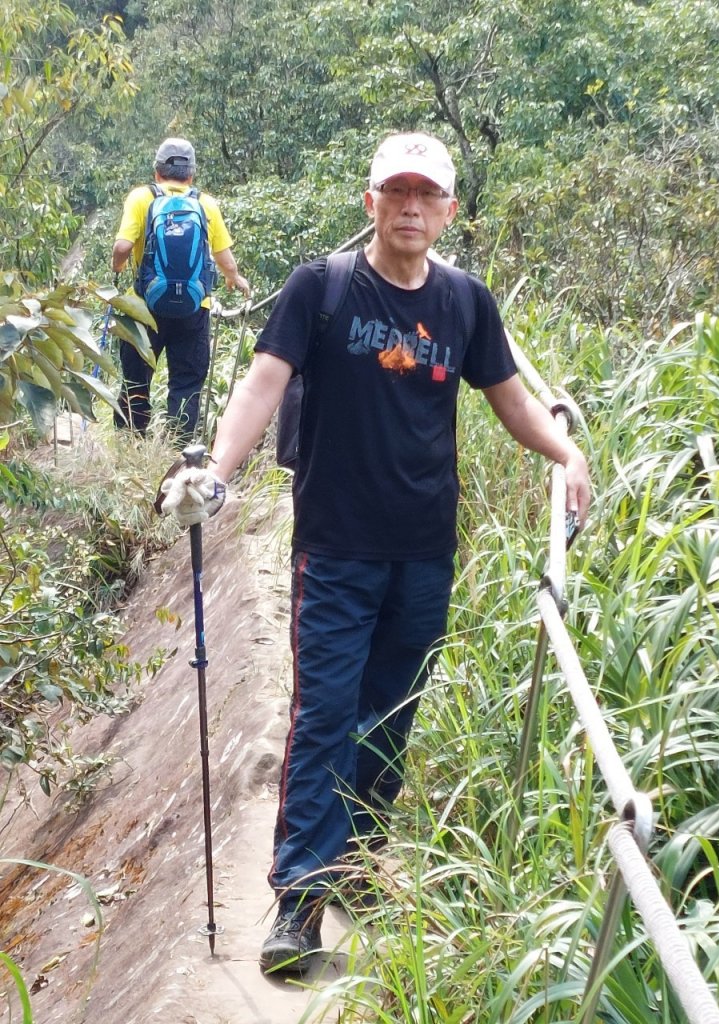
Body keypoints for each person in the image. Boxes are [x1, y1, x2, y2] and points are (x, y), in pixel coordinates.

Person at [159, 131, 591, 973]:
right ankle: (297, 901)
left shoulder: (466, 303)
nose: (411, 207)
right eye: (396, 192)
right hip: (336, 546)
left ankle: (356, 866)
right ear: (371, 204)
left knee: (390, 716)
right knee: (324, 717)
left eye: (427, 195)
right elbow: (262, 383)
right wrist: (215, 470)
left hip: (425, 550)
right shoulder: (321, 289)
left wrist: (565, 453)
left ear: (449, 211)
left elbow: (511, 401)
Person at [111, 137, 250, 442]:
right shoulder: (205, 204)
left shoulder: (140, 198)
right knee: (186, 385)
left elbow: (122, 246)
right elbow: (225, 258)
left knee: (136, 382)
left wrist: (118, 266)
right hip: (192, 309)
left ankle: (130, 446)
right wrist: (233, 278)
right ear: (191, 174)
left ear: (157, 171)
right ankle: (177, 453)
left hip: (142, 308)